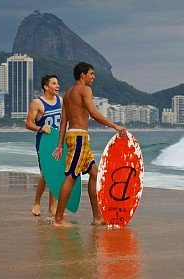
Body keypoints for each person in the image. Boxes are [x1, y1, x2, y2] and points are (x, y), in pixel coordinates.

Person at [52, 62, 127, 227]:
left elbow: (63, 122)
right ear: (82, 75)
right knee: (71, 177)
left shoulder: (67, 94)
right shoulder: (84, 89)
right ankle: (58, 219)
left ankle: (97, 217)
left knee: (94, 173)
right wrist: (115, 126)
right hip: (79, 137)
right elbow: (93, 113)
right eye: (91, 74)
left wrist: (60, 145)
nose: (93, 77)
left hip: (76, 137)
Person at [25, 74, 62, 216]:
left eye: (58, 83)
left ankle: (52, 207)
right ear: (46, 87)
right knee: (46, 175)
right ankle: (36, 203)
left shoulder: (61, 101)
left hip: (58, 143)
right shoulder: (37, 103)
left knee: (56, 174)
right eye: (54, 83)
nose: (57, 86)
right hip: (43, 144)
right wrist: (40, 128)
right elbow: (28, 123)